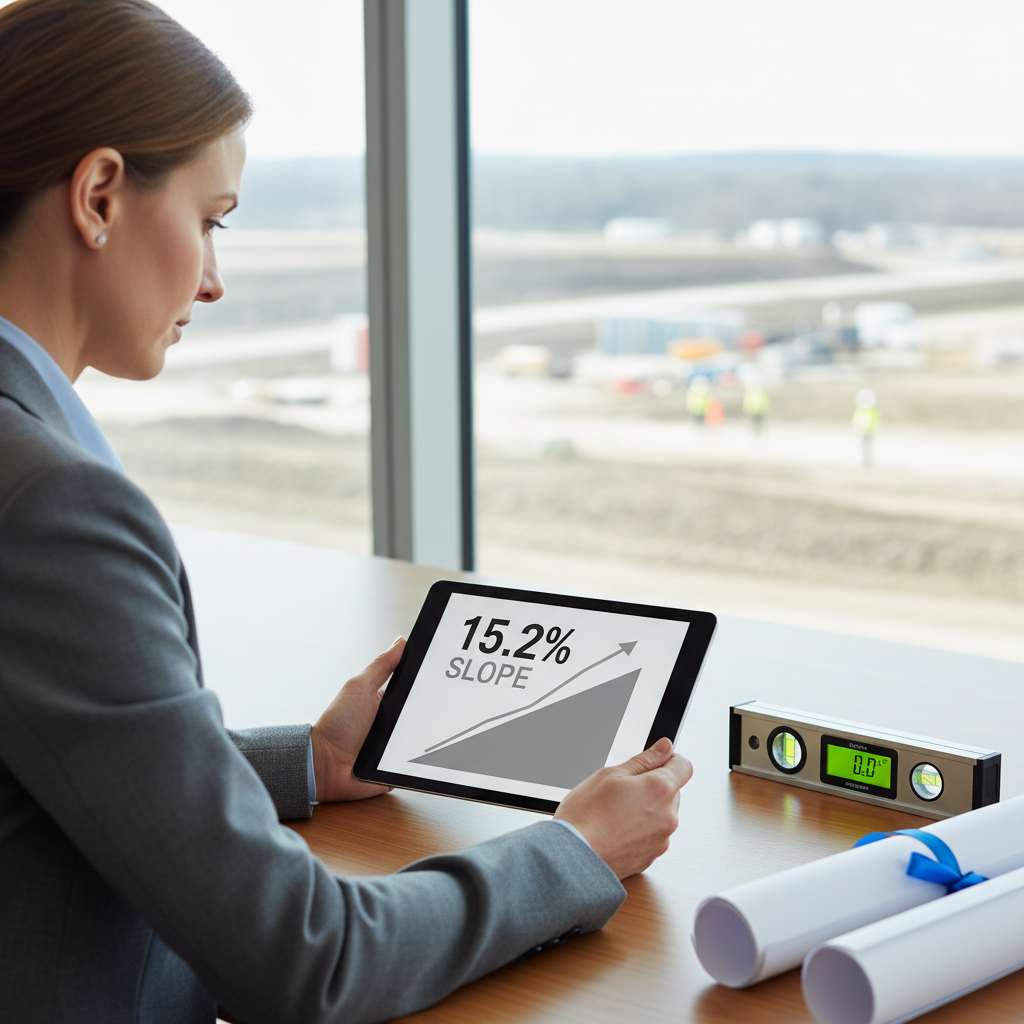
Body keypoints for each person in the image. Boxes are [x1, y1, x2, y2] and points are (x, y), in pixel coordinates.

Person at [0, 3, 693, 1023]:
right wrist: (576, 849)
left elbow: (44, 760)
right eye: (211, 219)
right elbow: (307, 960)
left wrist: (313, 762)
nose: (215, 280)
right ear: (99, 194)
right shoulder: (53, 507)